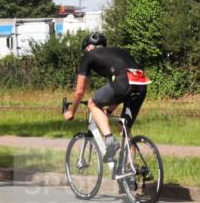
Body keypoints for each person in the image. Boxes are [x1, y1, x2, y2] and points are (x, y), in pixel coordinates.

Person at [63, 32, 149, 161]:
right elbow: (122, 91)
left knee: (92, 103)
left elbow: (80, 91)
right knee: (124, 128)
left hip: (123, 83)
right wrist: (108, 110)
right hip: (141, 84)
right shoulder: (117, 52)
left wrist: (72, 112)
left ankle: (109, 140)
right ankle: (131, 171)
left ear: (88, 47)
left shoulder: (89, 55)